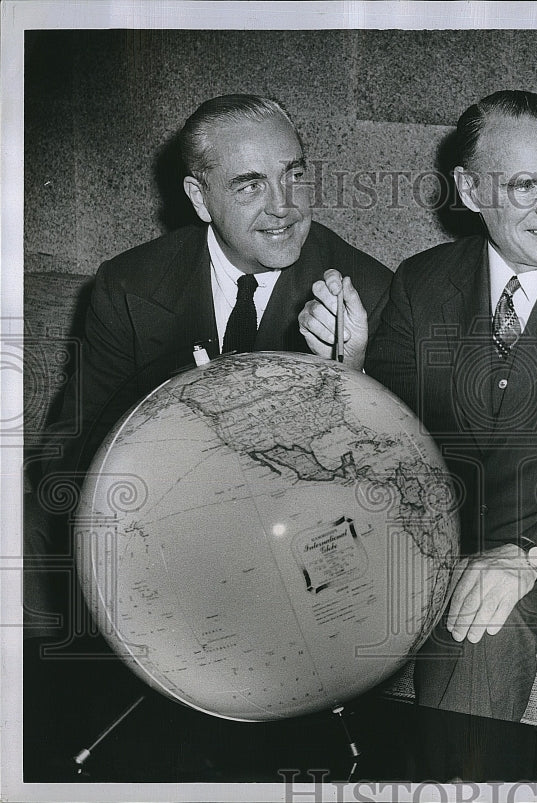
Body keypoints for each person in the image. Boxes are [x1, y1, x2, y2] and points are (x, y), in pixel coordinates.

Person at [300, 89, 537, 779]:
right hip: (429, 551)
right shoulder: (423, 283)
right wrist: (350, 371)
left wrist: (528, 556)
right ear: (469, 189)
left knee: (480, 625)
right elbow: (391, 450)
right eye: (523, 185)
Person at [23, 93, 392, 780]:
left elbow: (396, 495)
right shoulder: (130, 287)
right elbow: (63, 455)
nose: (284, 206)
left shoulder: (365, 289)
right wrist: (165, 442)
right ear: (199, 196)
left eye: (295, 174)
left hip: (301, 576)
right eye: (250, 184)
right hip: (157, 553)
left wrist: (350, 384)